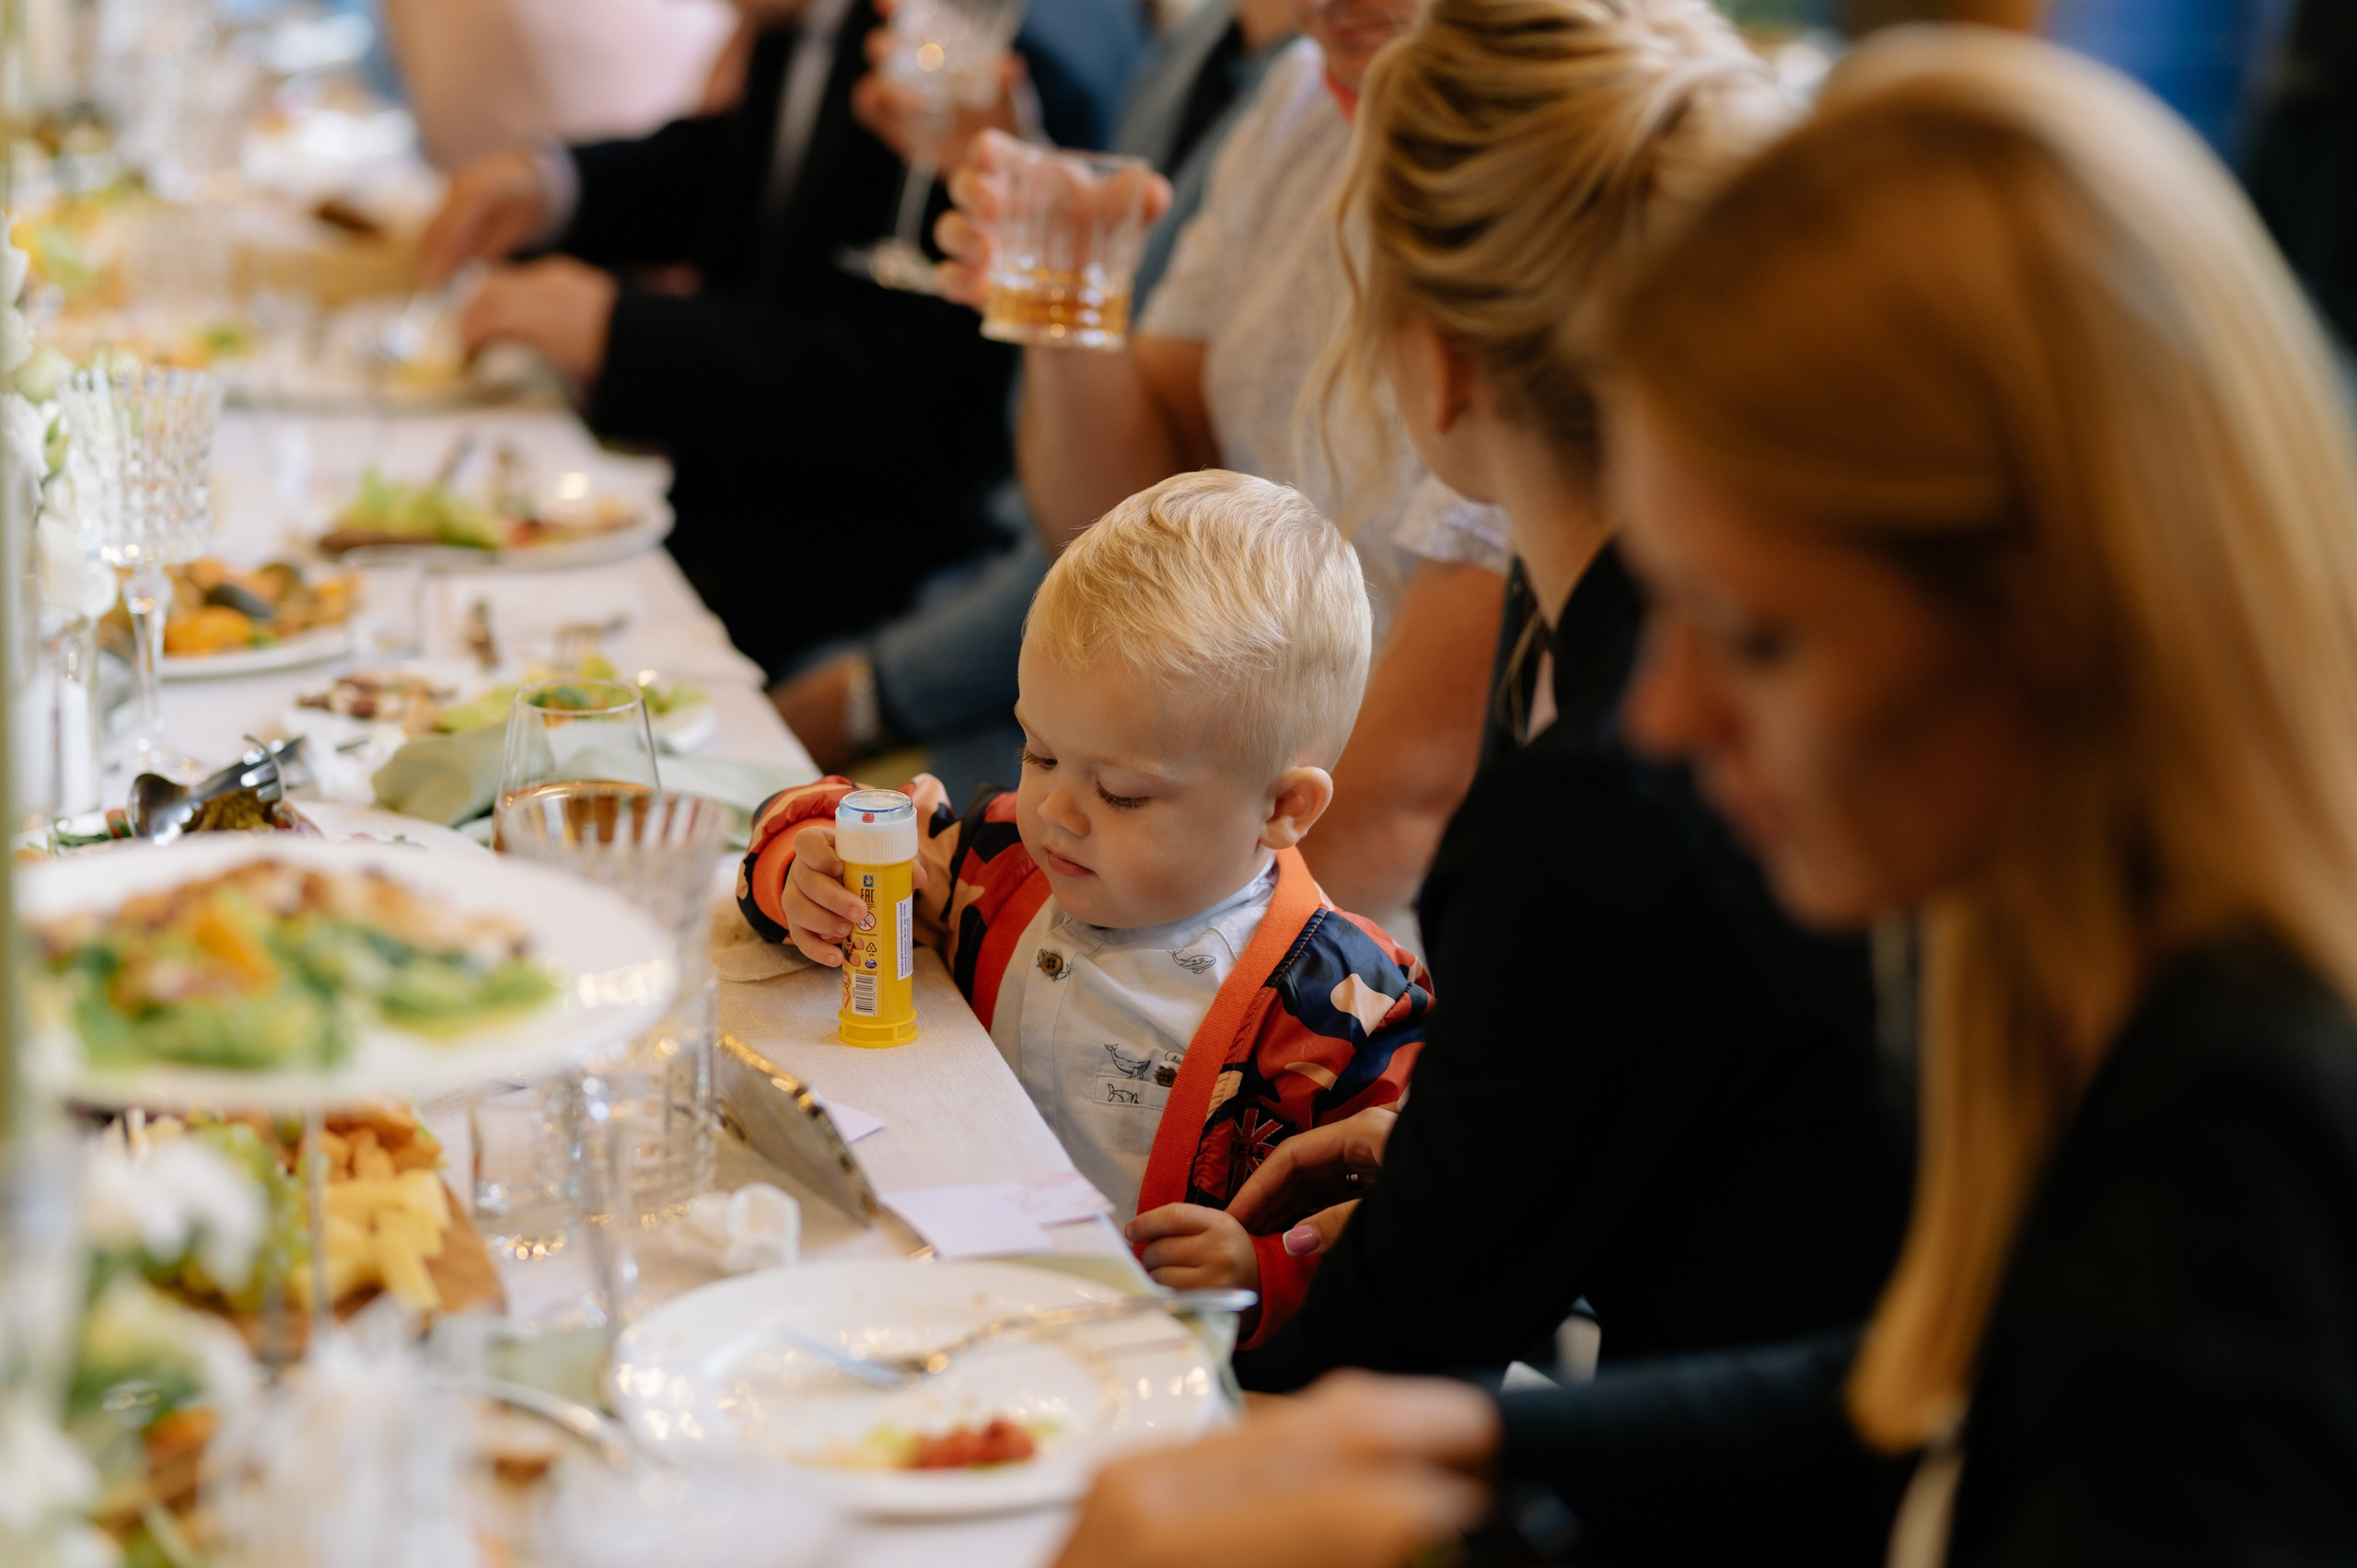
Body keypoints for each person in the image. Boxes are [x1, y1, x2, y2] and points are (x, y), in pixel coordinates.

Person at [1062, 24, 2357, 1568]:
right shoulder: (2090, 951)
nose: (1667, 714)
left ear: (2036, 627)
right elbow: (1950, 1387)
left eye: (1754, 635)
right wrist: (1460, 1445)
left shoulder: (2253, 1121)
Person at [1222, 0, 1908, 1400]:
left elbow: (1398, 1349)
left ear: (1442, 359)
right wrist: (1454, 1142)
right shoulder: (1611, 613)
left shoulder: (1612, 775)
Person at [737, 471, 1429, 1342]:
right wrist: (801, 870)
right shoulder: (1002, 862)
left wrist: (1262, 1273)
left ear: (1284, 807)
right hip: (947, 1293)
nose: (1056, 811)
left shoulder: (1349, 1013)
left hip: (1146, 1357)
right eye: (1038, 753)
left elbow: (1415, 1235)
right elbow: (834, 824)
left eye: (1121, 793)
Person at [935, 0, 1515, 925]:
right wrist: (1063, 309)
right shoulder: (1298, 102)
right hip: (1137, 841)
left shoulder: (1555, 213)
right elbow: (1128, 533)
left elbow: (1406, 796)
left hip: (1323, 935)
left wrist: (1129, 970)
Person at [417, 0, 1144, 680]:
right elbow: (737, 170)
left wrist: (626, 333)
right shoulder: (809, 19)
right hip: (726, 532)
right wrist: (557, 183)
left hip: (858, 585)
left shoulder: (1005, 62)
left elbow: (924, 393)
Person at [772, 0, 1303, 801]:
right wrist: (1028, 197)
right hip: (1024, 599)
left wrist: (870, 693)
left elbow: (1147, 543)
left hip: (1121, 710)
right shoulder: (1202, 44)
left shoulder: (1308, 93)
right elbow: (1097, 511)